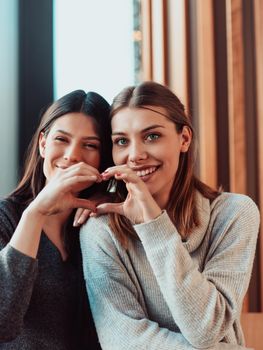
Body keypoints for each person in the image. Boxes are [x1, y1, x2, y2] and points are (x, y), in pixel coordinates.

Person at [80, 81, 260, 350]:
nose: (135, 155)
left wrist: (153, 224)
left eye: (152, 136)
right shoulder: (101, 228)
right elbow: (124, 340)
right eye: (121, 141)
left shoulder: (234, 214)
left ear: (184, 139)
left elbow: (205, 329)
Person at [0, 89, 113, 349]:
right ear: (43, 144)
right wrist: (35, 214)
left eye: (90, 145)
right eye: (62, 139)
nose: (72, 155)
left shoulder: (101, 223)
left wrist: (111, 195)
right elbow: (3, 321)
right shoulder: (7, 218)